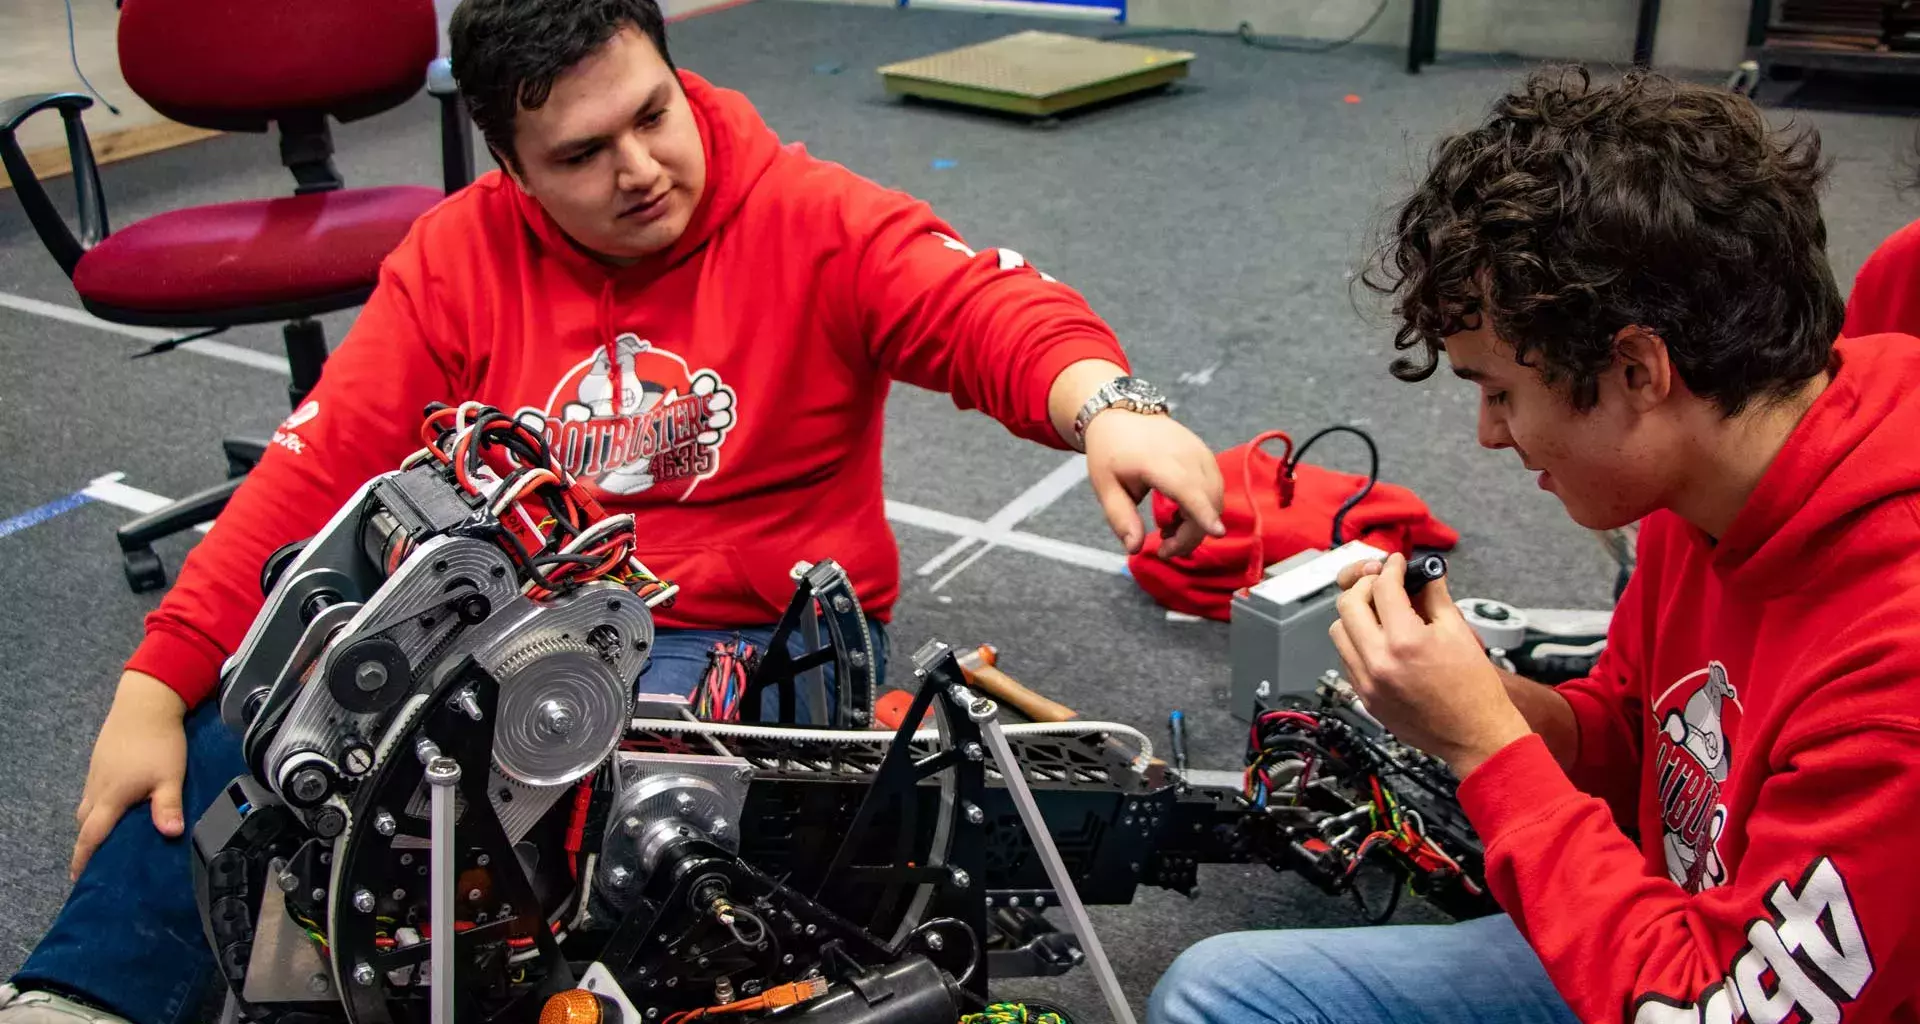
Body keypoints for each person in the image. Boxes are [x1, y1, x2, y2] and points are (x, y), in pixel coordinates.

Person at [0, 1, 1227, 1021]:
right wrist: (156, 684)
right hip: (521, 623)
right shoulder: (453, 258)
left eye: (652, 115)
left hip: (738, 646)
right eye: (583, 154)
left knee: (608, 880)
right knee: (271, 725)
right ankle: (85, 994)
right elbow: (315, 473)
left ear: (676, 78)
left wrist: (1108, 404)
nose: (639, 168)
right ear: (511, 166)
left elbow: (983, 309)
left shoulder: (811, 217)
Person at [1151, 67, 1920, 1024]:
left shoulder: (1893, 680)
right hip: (1684, 933)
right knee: (1219, 992)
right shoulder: (1713, 475)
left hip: (1708, 994)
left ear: (1638, 369)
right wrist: (1483, 702)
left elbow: (1709, 1008)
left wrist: (1487, 748)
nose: (1487, 434)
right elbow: (1642, 744)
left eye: (1501, 392)